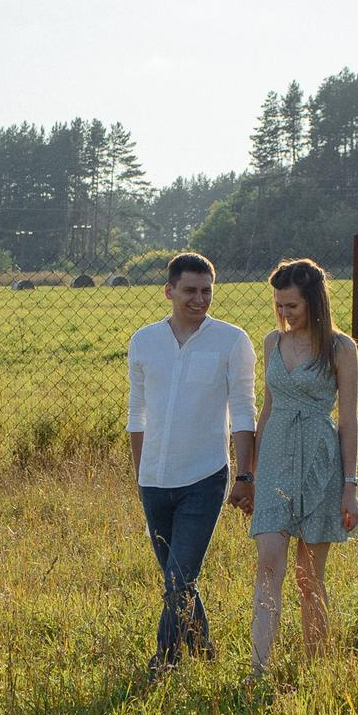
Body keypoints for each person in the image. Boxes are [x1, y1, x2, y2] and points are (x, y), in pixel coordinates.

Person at [126, 252, 257, 674]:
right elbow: (137, 412)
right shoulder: (144, 340)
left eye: (206, 291)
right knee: (177, 577)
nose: (199, 299)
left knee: (178, 577)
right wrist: (139, 474)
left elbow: (243, 409)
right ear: (169, 291)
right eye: (190, 291)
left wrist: (244, 473)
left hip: (205, 475)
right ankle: (204, 651)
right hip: (154, 478)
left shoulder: (232, 341)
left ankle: (163, 662)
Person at [249, 258, 358, 672]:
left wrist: (350, 486)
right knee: (268, 563)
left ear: (313, 301)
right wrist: (252, 474)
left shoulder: (340, 348)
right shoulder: (271, 343)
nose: (283, 314)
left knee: (308, 578)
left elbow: (348, 421)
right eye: (278, 305)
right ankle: (258, 668)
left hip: (320, 461)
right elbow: (267, 409)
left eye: (291, 306)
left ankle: (316, 668)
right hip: (276, 456)